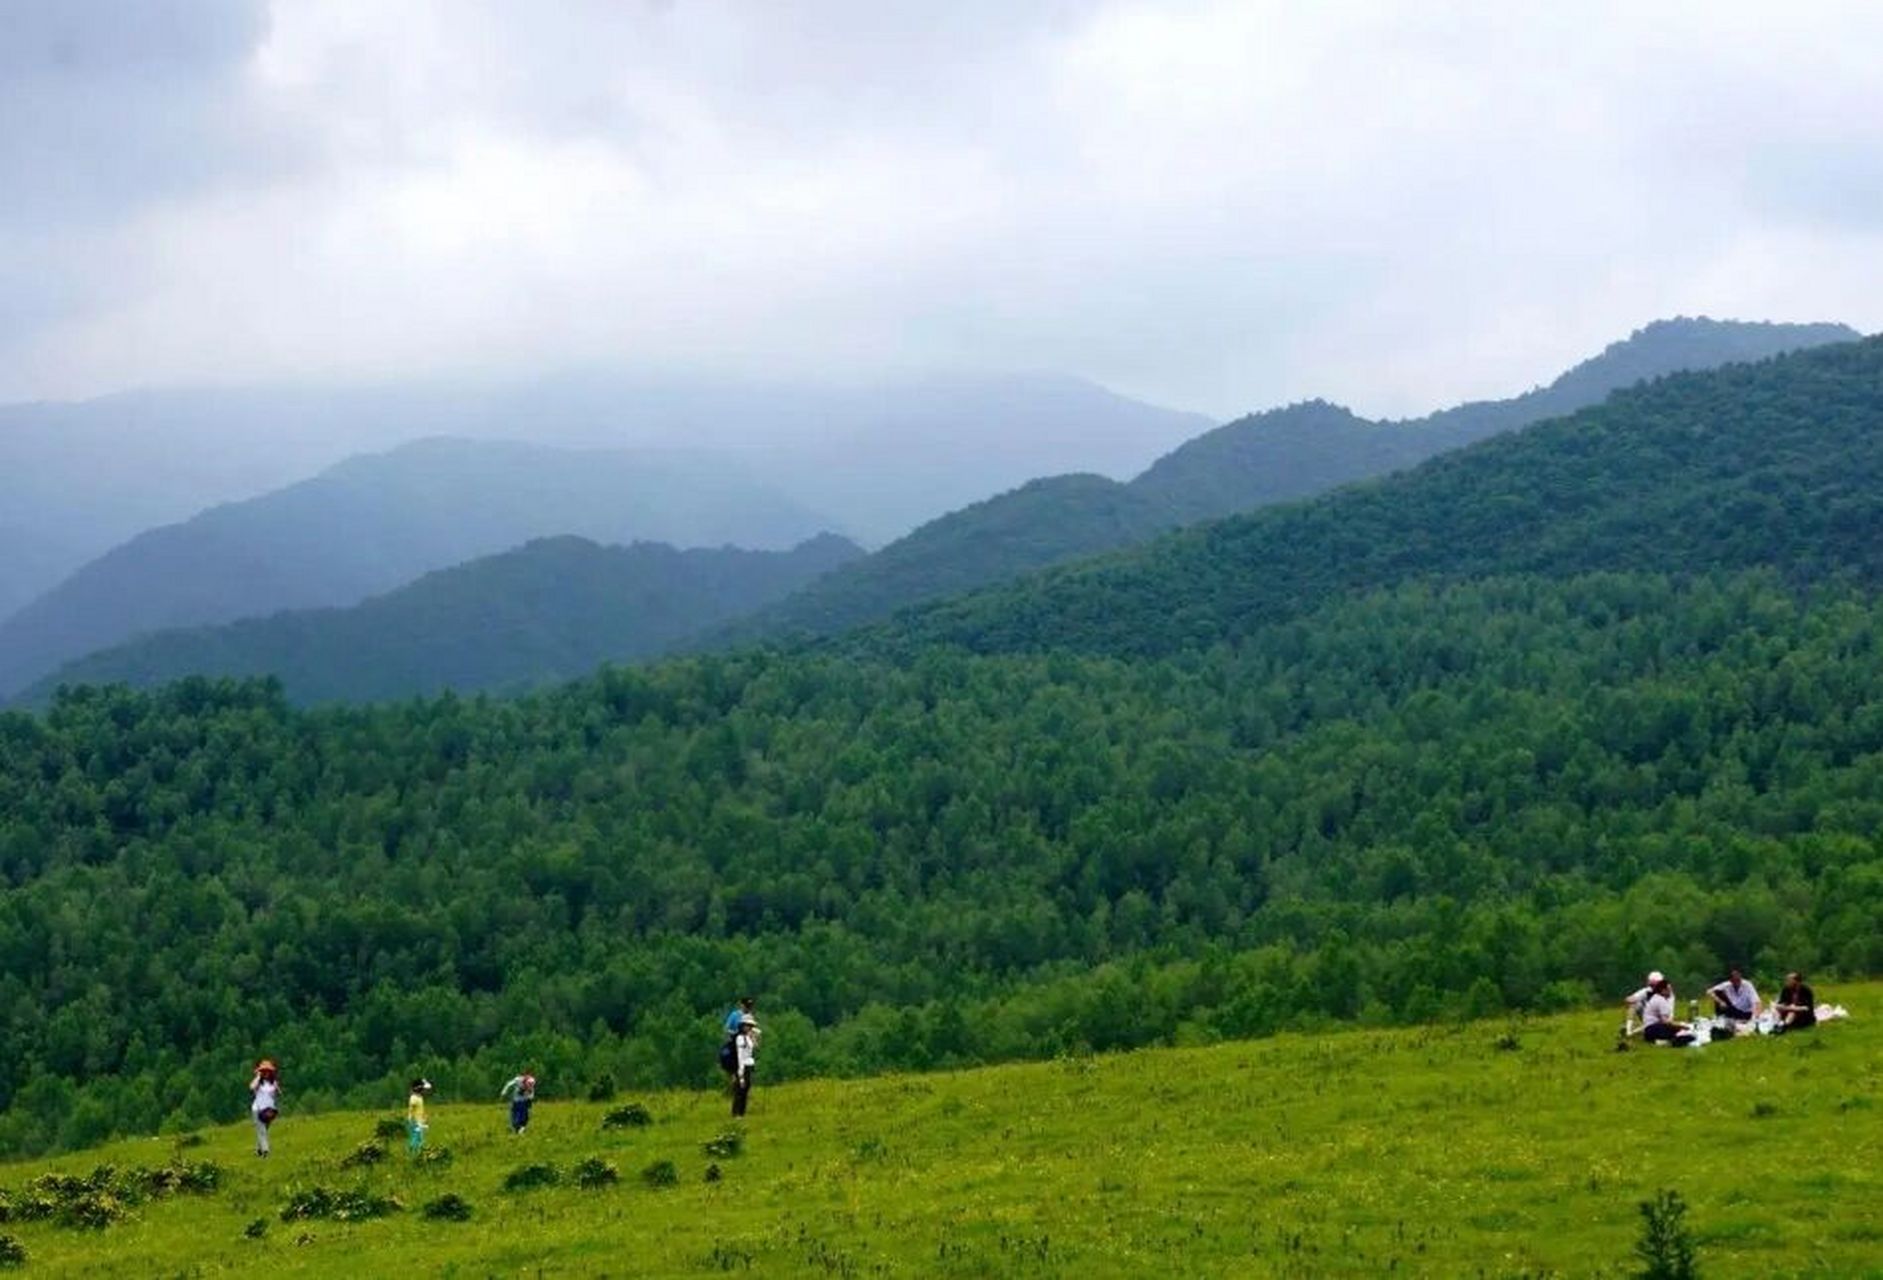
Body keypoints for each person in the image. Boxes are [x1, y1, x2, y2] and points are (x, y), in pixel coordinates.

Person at [1640, 978, 1695, 1046]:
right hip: (1654, 1029)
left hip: (1648, 1030)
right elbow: (1666, 1022)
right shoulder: (1661, 1001)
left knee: (1678, 1029)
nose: (1671, 991)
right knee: (1685, 1032)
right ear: (1663, 991)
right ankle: (1672, 1041)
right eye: (1669, 990)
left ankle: (1661, 1041)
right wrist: (1681, 1026)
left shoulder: (1655, 998)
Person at [249, 1060, 281, 1158]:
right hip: (257, 1109)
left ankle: (259, 1149)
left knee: (264, 1130)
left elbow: (278, 1093)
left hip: (269, 1110)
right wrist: (258, 1076)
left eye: (268, 1071)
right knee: (261, 1130)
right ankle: (266, 1151)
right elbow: (251, 1087)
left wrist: (277, 1088)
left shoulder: (273, 1083)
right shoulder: (258, 1082)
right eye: (264, 1071)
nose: (266, 1073)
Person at [730, 1014, 758, 1119]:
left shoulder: (748, 1037)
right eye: (747, 1026)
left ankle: (742, 1113)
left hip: (749, 1065)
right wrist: (740, 1074)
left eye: (750, 1026)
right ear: (742, 1026)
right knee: (739, 1091)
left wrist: (753, 1036)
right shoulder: (740, 1038)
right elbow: (740, 1055)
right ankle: (736, 1113)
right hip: (742, 1066)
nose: (749, 1028)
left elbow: (755, 1047)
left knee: (746, 1090)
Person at [499, 1070, 537, 1135]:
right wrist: (503, 1093)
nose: (528, 1087)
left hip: (524, 1101)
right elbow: (508, 1084)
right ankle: (516, 1128)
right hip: (516, 1101)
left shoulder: (531, 1082)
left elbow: (532, 1092)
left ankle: (521, 1128)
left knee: (524, 1117)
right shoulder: (518, 1080)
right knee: (514, 1116)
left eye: (530, 1085)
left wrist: (530, 1100)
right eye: (528, 1085)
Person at [406, 1077, 433, 1154]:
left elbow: (419, 1110)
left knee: (420, 1140)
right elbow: (412, 1110)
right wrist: (414, 1122)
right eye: (423, 1089)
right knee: (415, 1141)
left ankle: (417, 1155)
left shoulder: (419, 1098)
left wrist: (424, 1118)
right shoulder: (414, 1098)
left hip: (419, 1122)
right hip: (415, 1123)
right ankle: (413, 1155)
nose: (425, 1091)